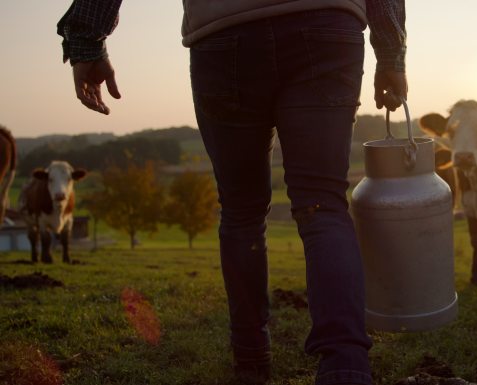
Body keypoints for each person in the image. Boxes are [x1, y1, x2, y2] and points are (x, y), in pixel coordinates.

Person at [58, 1, 407, 384]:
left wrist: (89, 40)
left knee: (242, 212)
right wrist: (390, 53)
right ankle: (346, 366)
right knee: (323, 205)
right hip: (325, 24)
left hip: (225, 32)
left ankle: (251, 359)